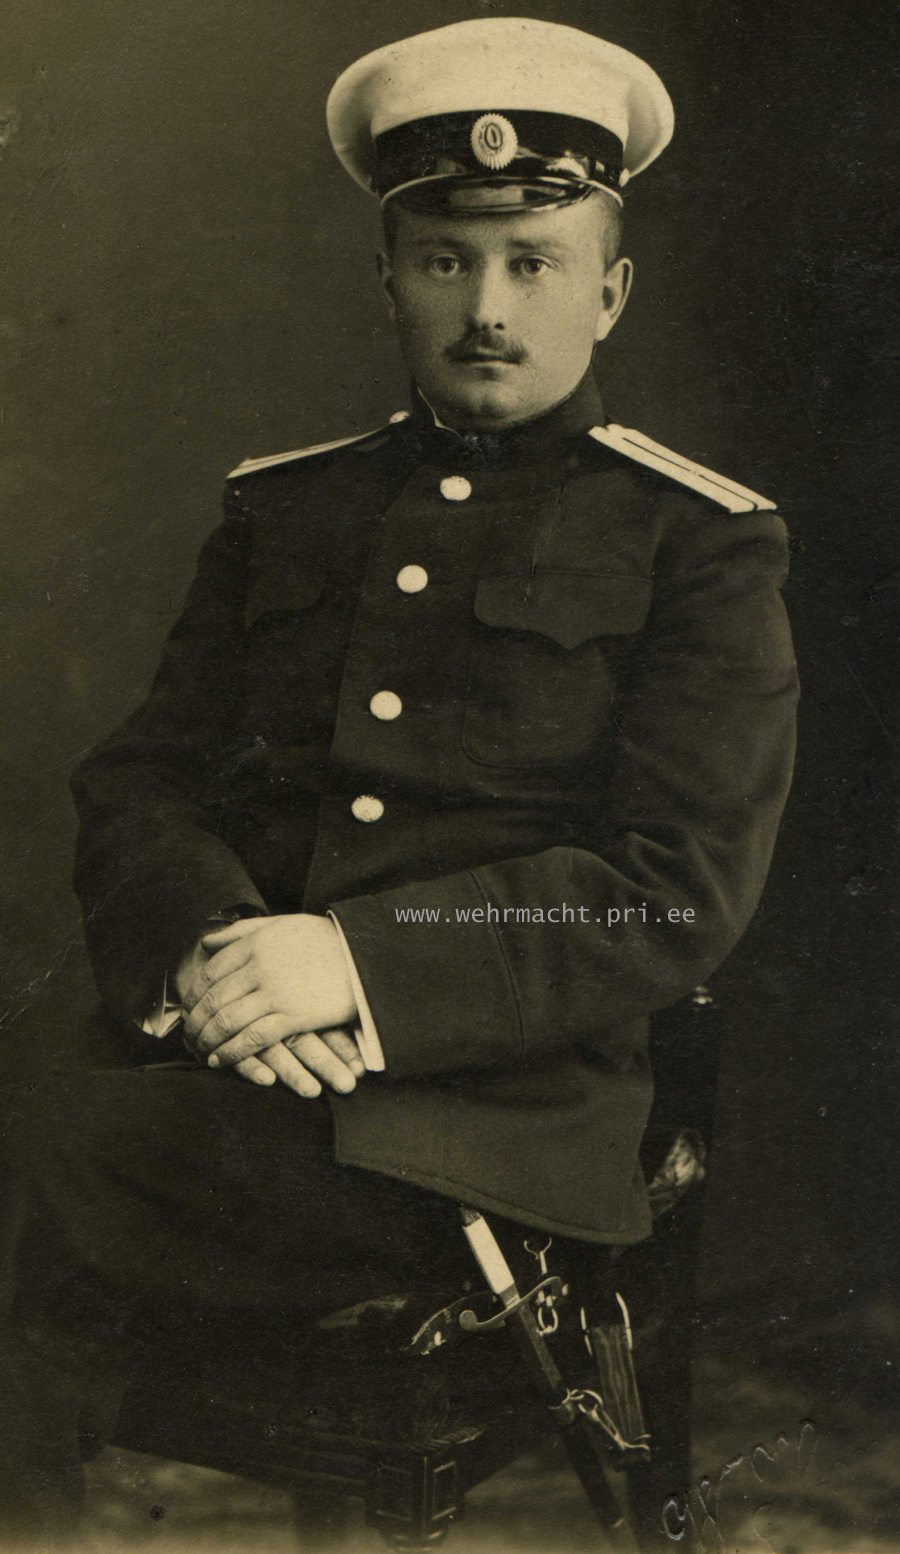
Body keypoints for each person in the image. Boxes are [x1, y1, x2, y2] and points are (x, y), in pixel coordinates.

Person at [0, 16, 798, 1544]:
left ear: (610, 290)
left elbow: (673, 885)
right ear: (388, 279)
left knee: (55, 1151)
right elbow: (142, 781)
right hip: (248, 1067)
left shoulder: (698, 540)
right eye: (445, 260)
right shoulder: (285, 509)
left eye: (533, 262)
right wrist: (208, 947)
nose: (487, 307)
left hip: (498, 1117)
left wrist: (355, 961)